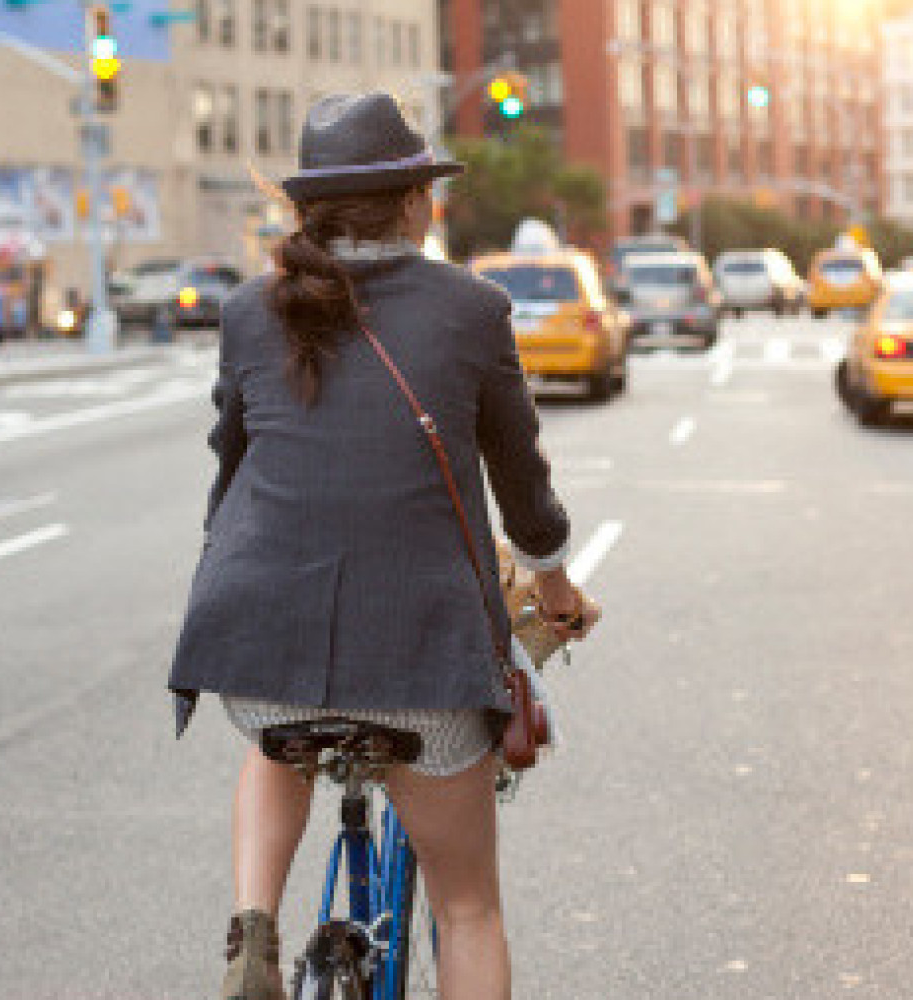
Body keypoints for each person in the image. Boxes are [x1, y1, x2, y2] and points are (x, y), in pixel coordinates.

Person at [166, 93, 596, 1000]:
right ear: (414, 200)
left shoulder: (249, 311)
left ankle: (255, 926)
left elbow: (229, 471)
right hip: (422, 658)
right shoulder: (471, 308)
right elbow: (522, 484)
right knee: (468, 907)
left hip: (258, 637)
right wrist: (555, 587)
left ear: (307, 209)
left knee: (274, 738)